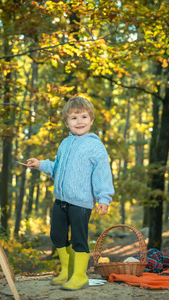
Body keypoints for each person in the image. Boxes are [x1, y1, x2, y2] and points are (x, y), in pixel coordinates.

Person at [26, 96, 114, 290]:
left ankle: (80, 275)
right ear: (67, 122)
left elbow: (102, 174)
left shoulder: (95, 147)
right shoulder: (65, 144)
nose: (79, 121)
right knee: (57, 235)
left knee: (78, 239)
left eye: (84, 117)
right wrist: (40, 164)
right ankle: (67, 271)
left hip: (81, 203)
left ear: (91, 120)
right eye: (74, 118)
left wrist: (104, 198)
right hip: (61, 200)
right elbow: (57, 168)